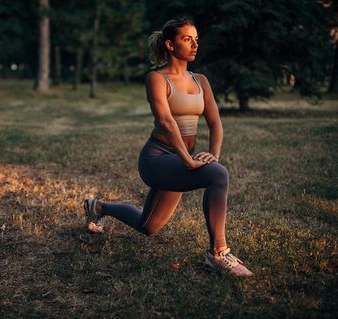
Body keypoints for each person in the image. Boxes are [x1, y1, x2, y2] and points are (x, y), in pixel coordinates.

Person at [83, 17, 253, 277]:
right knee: (218, 175)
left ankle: (98, 207)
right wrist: (188, 159)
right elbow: (165, 120)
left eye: (197, 39)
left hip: (181, 158)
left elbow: (215, 122)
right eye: (188, 39)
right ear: (170, 44)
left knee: (148, 226)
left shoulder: (201, 81)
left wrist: (213, 155)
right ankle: (218, 254)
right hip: (157, 160)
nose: (195, 44)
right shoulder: (157, 78)